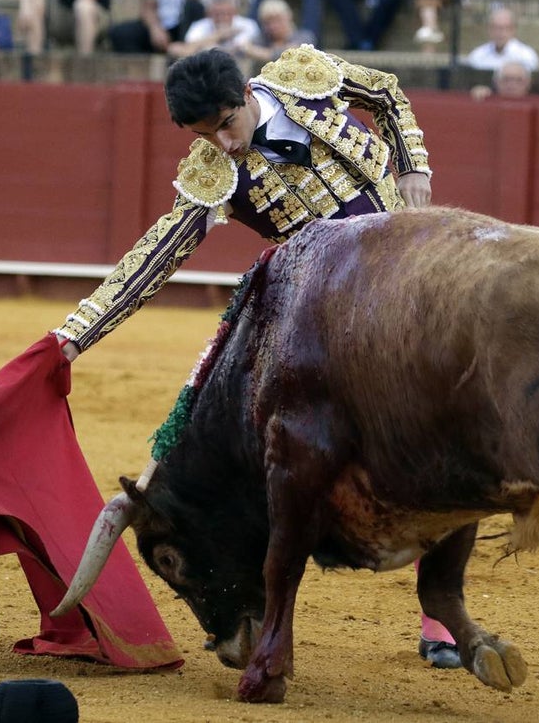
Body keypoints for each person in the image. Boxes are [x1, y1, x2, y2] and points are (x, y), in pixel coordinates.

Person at [50, 46, 461, 669]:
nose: (223, 145)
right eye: (203, 136)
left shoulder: (305, 76)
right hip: (334, 318)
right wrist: (73, 337)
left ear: (245, 93)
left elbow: (385, 92)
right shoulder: (212, 173)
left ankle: (439, 615)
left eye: (225, 125)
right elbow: (154, 258)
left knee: (445, 431)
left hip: (417, 275)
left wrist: (412, 166)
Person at [166, 0, 257, 58]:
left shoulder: (247, 25)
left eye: (226, 13)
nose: (221, 18)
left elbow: (238, 51)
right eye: (217, 14)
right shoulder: (200, 26)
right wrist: (219, 35)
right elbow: (186, 50)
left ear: (235, 11)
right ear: (209, 13)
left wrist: (205, 46)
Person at [237, 0, 315, 63]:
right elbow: (242, 49)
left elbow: (288, 53)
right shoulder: (263, 38)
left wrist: (255, 52)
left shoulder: (304, 36)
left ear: (289, 16)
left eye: (278, 20)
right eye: (268, 23)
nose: (273, 26)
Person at [464, 7, 539, 71]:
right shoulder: (477, 55)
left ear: (514, 30)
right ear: (489, 29)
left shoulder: (526, 56)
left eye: (505, 28)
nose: (500, 33)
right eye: (496, 28)